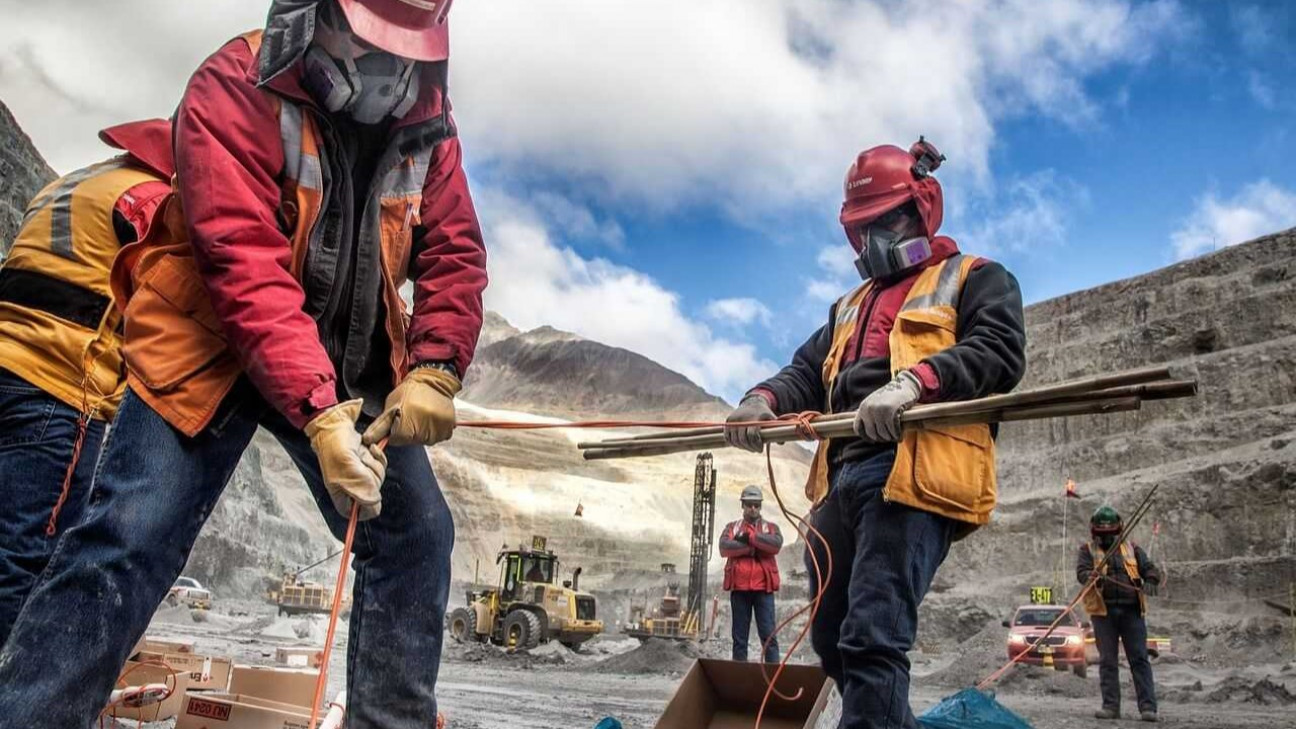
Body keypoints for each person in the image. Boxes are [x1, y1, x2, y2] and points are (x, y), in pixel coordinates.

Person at [0, 1, 487, 726]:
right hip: (209, 339)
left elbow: (453, 248)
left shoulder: (429, 123)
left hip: (346, 354)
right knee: (127, 537)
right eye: (370, 43)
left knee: (416, 536)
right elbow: (242, 264)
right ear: (312, 17)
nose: (389, 70)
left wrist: (436, 367)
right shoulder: (234, 84)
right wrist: (318, 412)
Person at [724, 138, 1026, 728]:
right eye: (862, 229)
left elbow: (999, 350)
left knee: (873, 635)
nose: (872, 241)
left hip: (913, 472)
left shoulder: (975, 277)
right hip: (845, 477)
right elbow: (807, 371)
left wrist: (918, 382)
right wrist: (762, 399)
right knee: (835, 634)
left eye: (885, 222)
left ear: (922, 208)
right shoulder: (849, 305)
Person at [0, 119, 173, 646]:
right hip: (58, 387)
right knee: (26, 561)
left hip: (8, 364)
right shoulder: (150, 201)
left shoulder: (73, 184)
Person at [1078, 505, 1162, 722]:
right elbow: (1082, 573)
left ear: (1119, 530)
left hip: (1132, 612)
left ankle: (1148, 708)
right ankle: (1111, 706)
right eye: (1102, 534)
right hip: (1103, 612)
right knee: (1108, 660)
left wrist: (1152, 578)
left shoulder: (1132, 549)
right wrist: (1092, 575)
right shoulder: (1087, 550)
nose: (1106, 539)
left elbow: (1149, 567)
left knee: (1139, 659)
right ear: (1094, 532)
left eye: (1110, 534)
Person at [718, 484, 783, 663]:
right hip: (739, 590)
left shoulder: (771, 528)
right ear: (743, 506)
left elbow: (776, 545)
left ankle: (773, 681)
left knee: (769, 638)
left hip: (764, 590)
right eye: (749, 504)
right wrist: (754, 548)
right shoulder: (732, 527)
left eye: (756, 504)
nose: (753, 508)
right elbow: (724, 548)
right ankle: (739, 682)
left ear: (760, 506)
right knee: (739, 640)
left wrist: (750, 538)